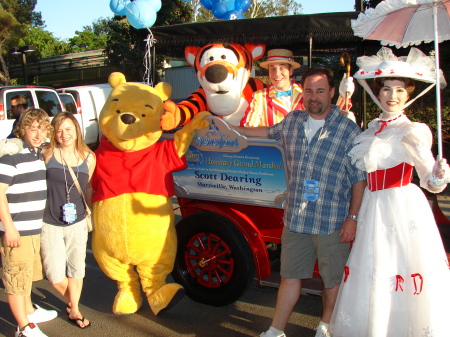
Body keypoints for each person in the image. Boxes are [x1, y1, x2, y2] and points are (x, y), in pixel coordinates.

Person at [232, 67, 366, 337]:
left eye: (320, 90)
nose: (313, 97)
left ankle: (325, 327)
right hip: (296, 218)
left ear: (331, 92)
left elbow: (359, 179)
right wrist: (223, 129)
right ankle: (276, 330)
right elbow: (261, 134)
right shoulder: (292, 121)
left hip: (332, 220)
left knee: (332, 280)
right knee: (289, 276)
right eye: (308, 91)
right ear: (301, 92)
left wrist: (352, 218)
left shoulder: (348, 130)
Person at [329, 47, 450, 337]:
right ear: (377, 92)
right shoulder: (369, 130)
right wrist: (342, 103)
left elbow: (431, 182)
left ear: (408, 94)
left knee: (398, 269)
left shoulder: (414, 131)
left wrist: (438, 173)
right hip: (372, 205)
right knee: (373, 270)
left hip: (401, 205)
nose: (391, 96)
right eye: (385, 89)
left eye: (398, 90)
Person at [0, 108, 58, 337]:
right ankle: (23, 327)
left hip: (32, 228)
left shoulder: (34, 152)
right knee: (15, 278)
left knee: (25, 275)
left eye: (43, 129)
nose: (38, 134)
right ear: (22, 129)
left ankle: (28, 311)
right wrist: (10, 228)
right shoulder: (10, 155)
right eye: (33, 128)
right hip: (17, 230)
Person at [40, 112, 95, 329]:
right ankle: (73, 306)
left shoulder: (89, 157)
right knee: (54, 274)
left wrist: (90, 211)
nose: (64, 134)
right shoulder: (47, 153)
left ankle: (75, 311)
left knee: (76, 269)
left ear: (76, 130)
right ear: (54, 132)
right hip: (49, 221)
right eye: (60, 130)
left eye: (68, 129)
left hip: (78, 221)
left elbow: (88, 186)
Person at [241, 49, 355, 127]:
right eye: (272, 68)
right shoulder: (260, 97)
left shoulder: (307, 92)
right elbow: (248, 128)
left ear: (290, 70)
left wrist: (343, 96)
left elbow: (327, 116)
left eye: (282, 68)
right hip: (275, 158)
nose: (277, 74)